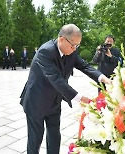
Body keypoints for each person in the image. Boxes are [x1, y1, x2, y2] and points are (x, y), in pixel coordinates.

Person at [20, 24, 111, 154]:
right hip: (36, 101)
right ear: (61, 39)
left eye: (77, 46)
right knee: (35, 139)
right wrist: (80, 98)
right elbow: (56, 80)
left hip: (54, 101)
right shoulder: (45, 51)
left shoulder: (71, 51)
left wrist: (104, 78)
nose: (75, 49)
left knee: (55, 137)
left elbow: (84, 66)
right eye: (73, 45)